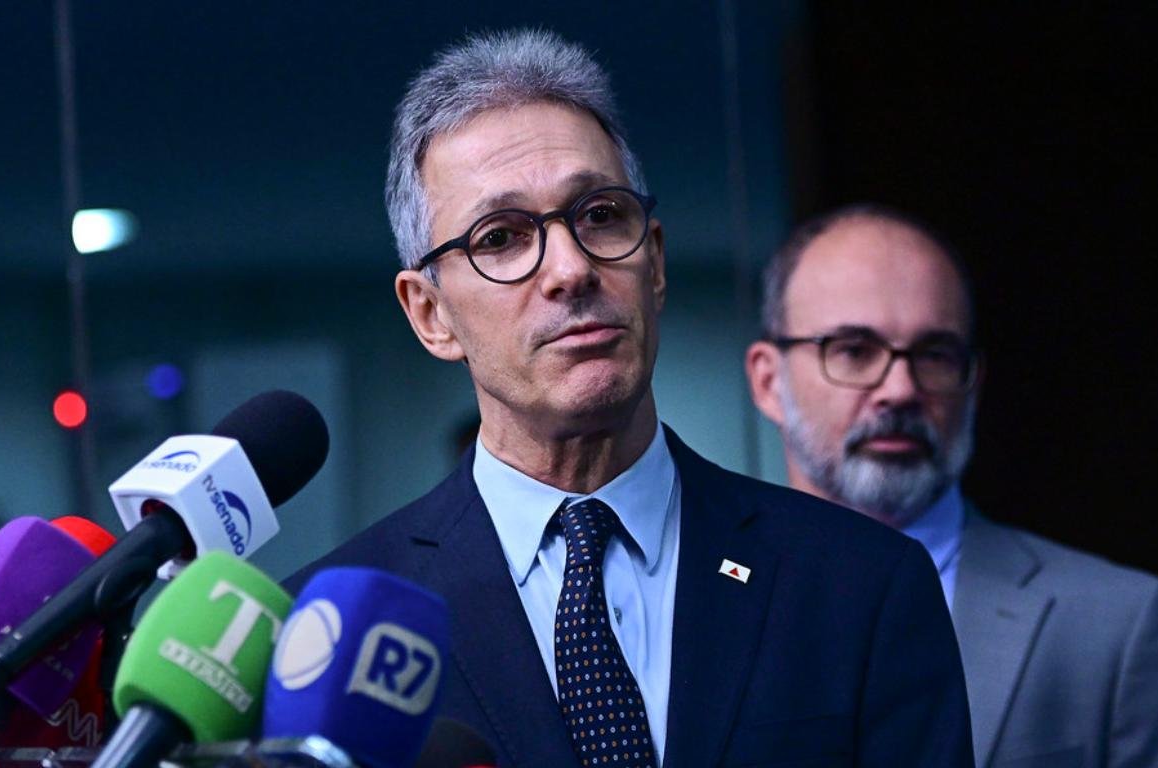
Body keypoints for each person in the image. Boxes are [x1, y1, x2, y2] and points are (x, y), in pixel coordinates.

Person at [290, 31, 973, 767]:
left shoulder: (860, 584)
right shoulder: (323, 633)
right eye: (501, 237)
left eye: (600, 215)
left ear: (655, 263)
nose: (570, 269)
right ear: (431, 314)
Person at [744, 204, 1158, 768]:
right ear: (768, 381)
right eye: (853, 350)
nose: (901, 389)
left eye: (935, 354)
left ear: (973, 384)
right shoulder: (690, 601)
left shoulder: (1117, 626)